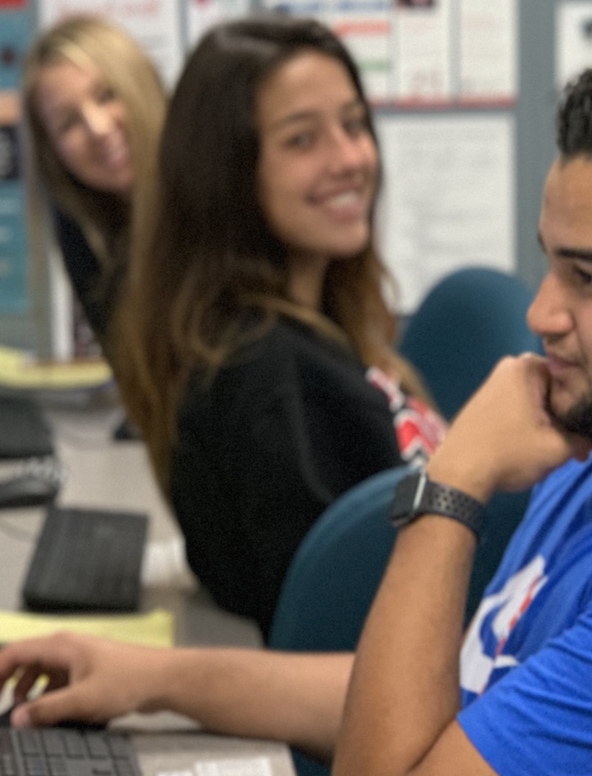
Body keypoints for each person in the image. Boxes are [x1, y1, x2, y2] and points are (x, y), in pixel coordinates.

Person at [0, 62, 592, 776]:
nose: (542, 312)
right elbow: (446, 704)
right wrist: (152, 679)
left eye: (587, 277)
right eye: (548, 265)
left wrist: (452, 484)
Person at [112, 17, 445, 636]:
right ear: (227, 175)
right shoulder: (267, 375)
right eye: (302, 140)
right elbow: (339, 631)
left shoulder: (309, 331)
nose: (350, 158)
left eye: (353, 125)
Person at [22, 14, 164, 344]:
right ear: (53, 154)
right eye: (69, 123)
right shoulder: (84, 231)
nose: (98, 128)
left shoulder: (216, 198)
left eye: (107, 95)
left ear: (140, 84)